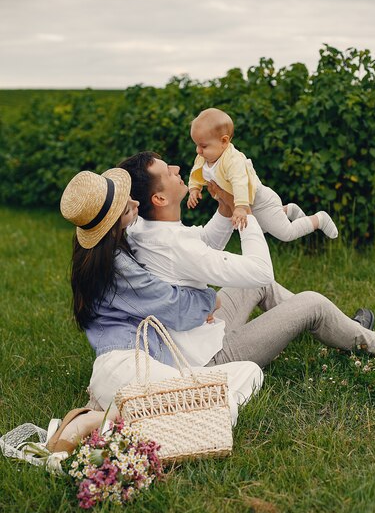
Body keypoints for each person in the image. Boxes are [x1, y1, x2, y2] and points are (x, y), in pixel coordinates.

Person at [119, 151, 375, 374]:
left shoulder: (142, 227)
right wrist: (244, 210)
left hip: (197, 336)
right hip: (210, 358)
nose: (177, 168)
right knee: (310, 301)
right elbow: (260, 270)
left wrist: (225, 207)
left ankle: (343, 328)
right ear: (158, 199)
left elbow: (202, 244)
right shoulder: (173, 244)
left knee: (261, 287)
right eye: (167, 172)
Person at [47, 168, 264, 453]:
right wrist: (211, 300)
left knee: (248, 372)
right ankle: (95, 420)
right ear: (113, 226)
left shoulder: (102, 252)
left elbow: (180, 242)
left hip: (124, 371)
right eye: (128, 207)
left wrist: (222, 211)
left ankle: (109, 418)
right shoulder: (117, 267)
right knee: (216, 407)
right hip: (129, 369)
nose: (137, 204)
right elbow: (171, 303)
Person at [187, 107, 339, 239]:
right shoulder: (204, 157)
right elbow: (197, 173)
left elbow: (240, 182)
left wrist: (240, 207)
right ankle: (287, 210)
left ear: (224, 141)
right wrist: (194, 189)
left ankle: (319, 219)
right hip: (248, 203)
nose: (198, 151)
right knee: (259, 230)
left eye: (203, 146)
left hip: (260, 201)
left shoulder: (232, 160)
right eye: (196, 145)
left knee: (286, 233)